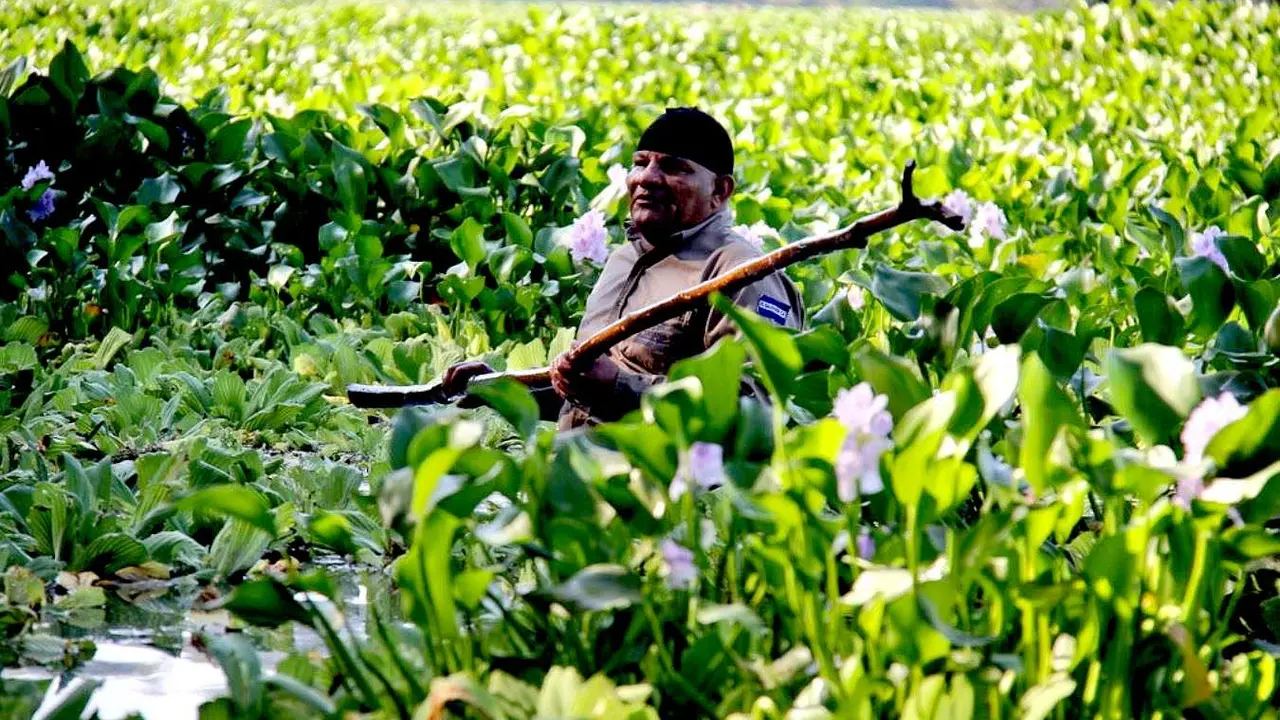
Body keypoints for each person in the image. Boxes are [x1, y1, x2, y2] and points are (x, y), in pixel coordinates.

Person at [441, 107, 805, 430]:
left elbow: (756, 411)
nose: (646, 177)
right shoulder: (623, 260)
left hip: (668, 499)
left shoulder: (744, 274)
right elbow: (584, 398)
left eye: (674, 167)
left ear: (720, 191)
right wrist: (504, 389)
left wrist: (616, 385)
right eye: (640, 162)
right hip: (574, 487)